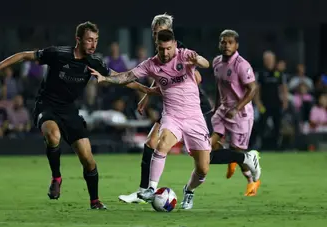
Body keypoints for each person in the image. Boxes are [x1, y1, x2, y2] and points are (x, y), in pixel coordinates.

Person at [0, 21, 154, 210]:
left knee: (88, 159)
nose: (93, 45)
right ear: (78, 40)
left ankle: (95, 202)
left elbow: (121, 78)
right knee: (53, 135)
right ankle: (56, 177)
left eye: (96, 40)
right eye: (89, 40)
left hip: (69, 110)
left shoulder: (94, 62)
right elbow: (23, 56)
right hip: (46, 105)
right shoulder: (58, 54)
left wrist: (146, 90)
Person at [89, 29, 261, 209]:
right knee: (161, 143)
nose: (165, 53)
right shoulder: (151, 64)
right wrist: (105, 78)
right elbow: (127, 76)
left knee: (203, 167)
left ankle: (189, 190)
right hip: (172, 116)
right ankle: (151, 188)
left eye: (168, 48)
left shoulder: (184, 55)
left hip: (195, 118)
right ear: (157, 46)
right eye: (161, 49)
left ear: (174, 45)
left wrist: (197, 60)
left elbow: (205, 63)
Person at [118, 13, 211, 204]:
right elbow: (160, 74)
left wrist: (152, 92)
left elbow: (197, 75)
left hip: (194, 105)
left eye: (160, 32)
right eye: (154, 33)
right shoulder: (159, 53)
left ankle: (243, 159)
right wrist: (147, 95)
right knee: (152, 143)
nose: (156, 36)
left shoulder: (179, 49)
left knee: (206, 162)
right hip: (173, 108)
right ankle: (146, 190)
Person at [211, 29, 260, 196]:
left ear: (236, 45)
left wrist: (237, 108)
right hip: (223, 110)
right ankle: (230, 156)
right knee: (209, 145)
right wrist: (216, 106)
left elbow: (253, 89)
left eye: (230, 42)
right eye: (223, 42)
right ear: (219, 44)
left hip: (240, 114)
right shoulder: (216, 62)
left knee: (237, 152)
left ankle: (252, 181)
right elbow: (220, 87)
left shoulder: (242, 65)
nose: (226, 45)